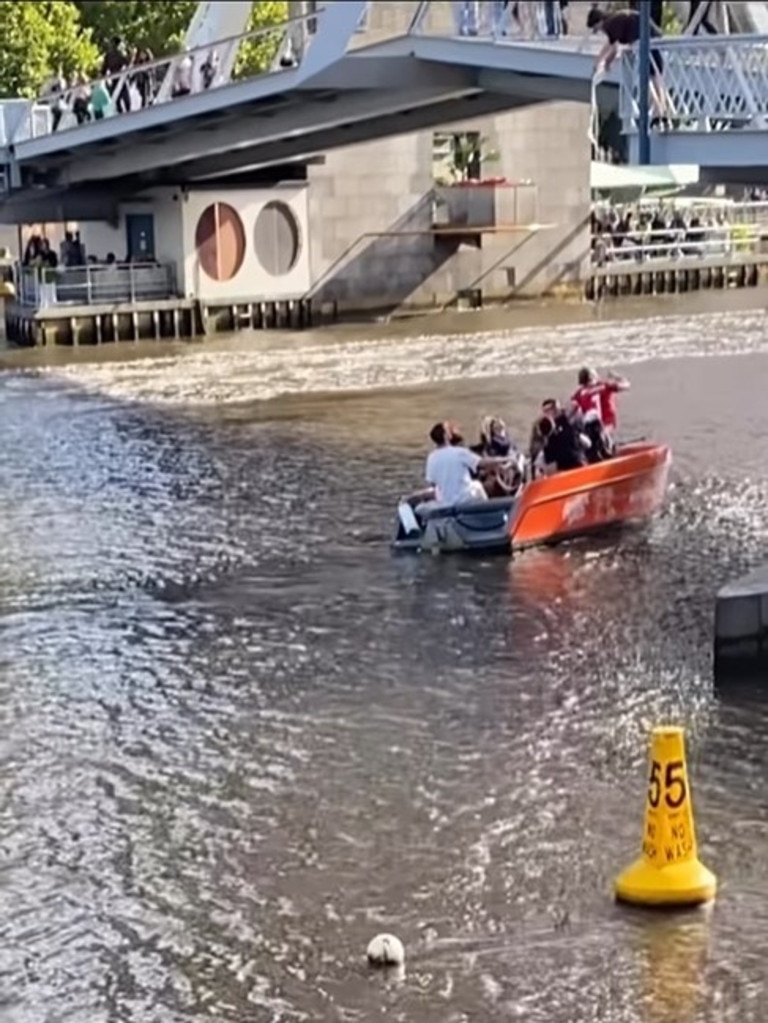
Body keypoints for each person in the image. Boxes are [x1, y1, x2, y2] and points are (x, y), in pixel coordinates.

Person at [587, 5, 667, 120]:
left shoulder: (609, 25)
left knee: (648, 77)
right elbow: (612, 46)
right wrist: (603, 62)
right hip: (652, 35)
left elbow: (612, 48)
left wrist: (602, 63)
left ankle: (659, 110)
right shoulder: (615, 19)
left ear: (599, 21)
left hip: (645, 40)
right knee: (656, 74)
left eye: (596, 27)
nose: (598, 31)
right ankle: (662, 108)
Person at [406, 421, 509, 509]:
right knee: (477, 486)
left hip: (446, 502)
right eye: (448, 430)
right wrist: (505, 459)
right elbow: (482, 463)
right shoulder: (459, 452)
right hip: (465, 499)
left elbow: (433, 483)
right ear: (446, 436)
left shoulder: (431, 458)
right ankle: (487, 512)